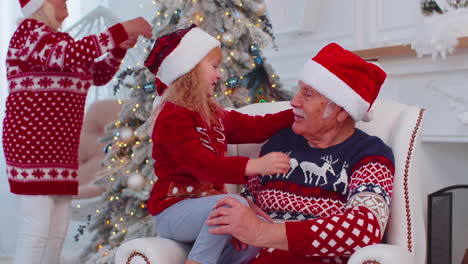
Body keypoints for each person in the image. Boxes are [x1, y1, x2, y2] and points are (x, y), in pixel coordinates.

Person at [206, 43, 394, 264]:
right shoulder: (279, 142)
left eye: (308, 94)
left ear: (342, 110)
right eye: (299, 90)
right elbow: (249, 200)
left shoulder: (370, 154)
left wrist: (264, 232)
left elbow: (365, 228)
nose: (294, 101)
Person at [2, 0, 152, 263]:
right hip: (31, 143)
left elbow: (98, 75)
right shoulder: (29, 34)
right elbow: (69, 54)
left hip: (61, 145)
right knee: (36, 229)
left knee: (57, 230)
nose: (66, 3)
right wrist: (121, 29)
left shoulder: (60, 43)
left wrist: (118, 49)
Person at [144, 24, 295, 264]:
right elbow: (202, 164)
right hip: (174, 210)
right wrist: (255, 166)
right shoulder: (172, 116)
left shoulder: (214, 115)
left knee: (260, 227)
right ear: (190, 70)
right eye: (214, 67)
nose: (219, 74)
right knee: (232, 205)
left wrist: (297, 111)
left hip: (208, 209)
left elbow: (255, 127)